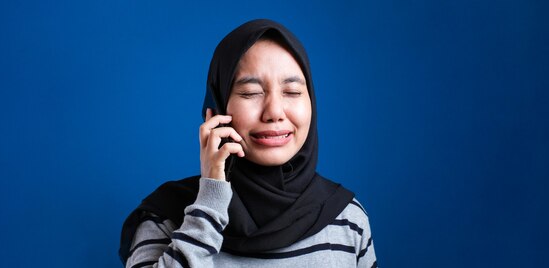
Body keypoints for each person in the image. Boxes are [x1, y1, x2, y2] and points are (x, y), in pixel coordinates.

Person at [119, 19, 377, 267]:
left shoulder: (346, 219)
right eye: (251, 93)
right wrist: (210, 202)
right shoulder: (166, 217)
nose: (274, 112)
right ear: (217, 107)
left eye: (292, 92)